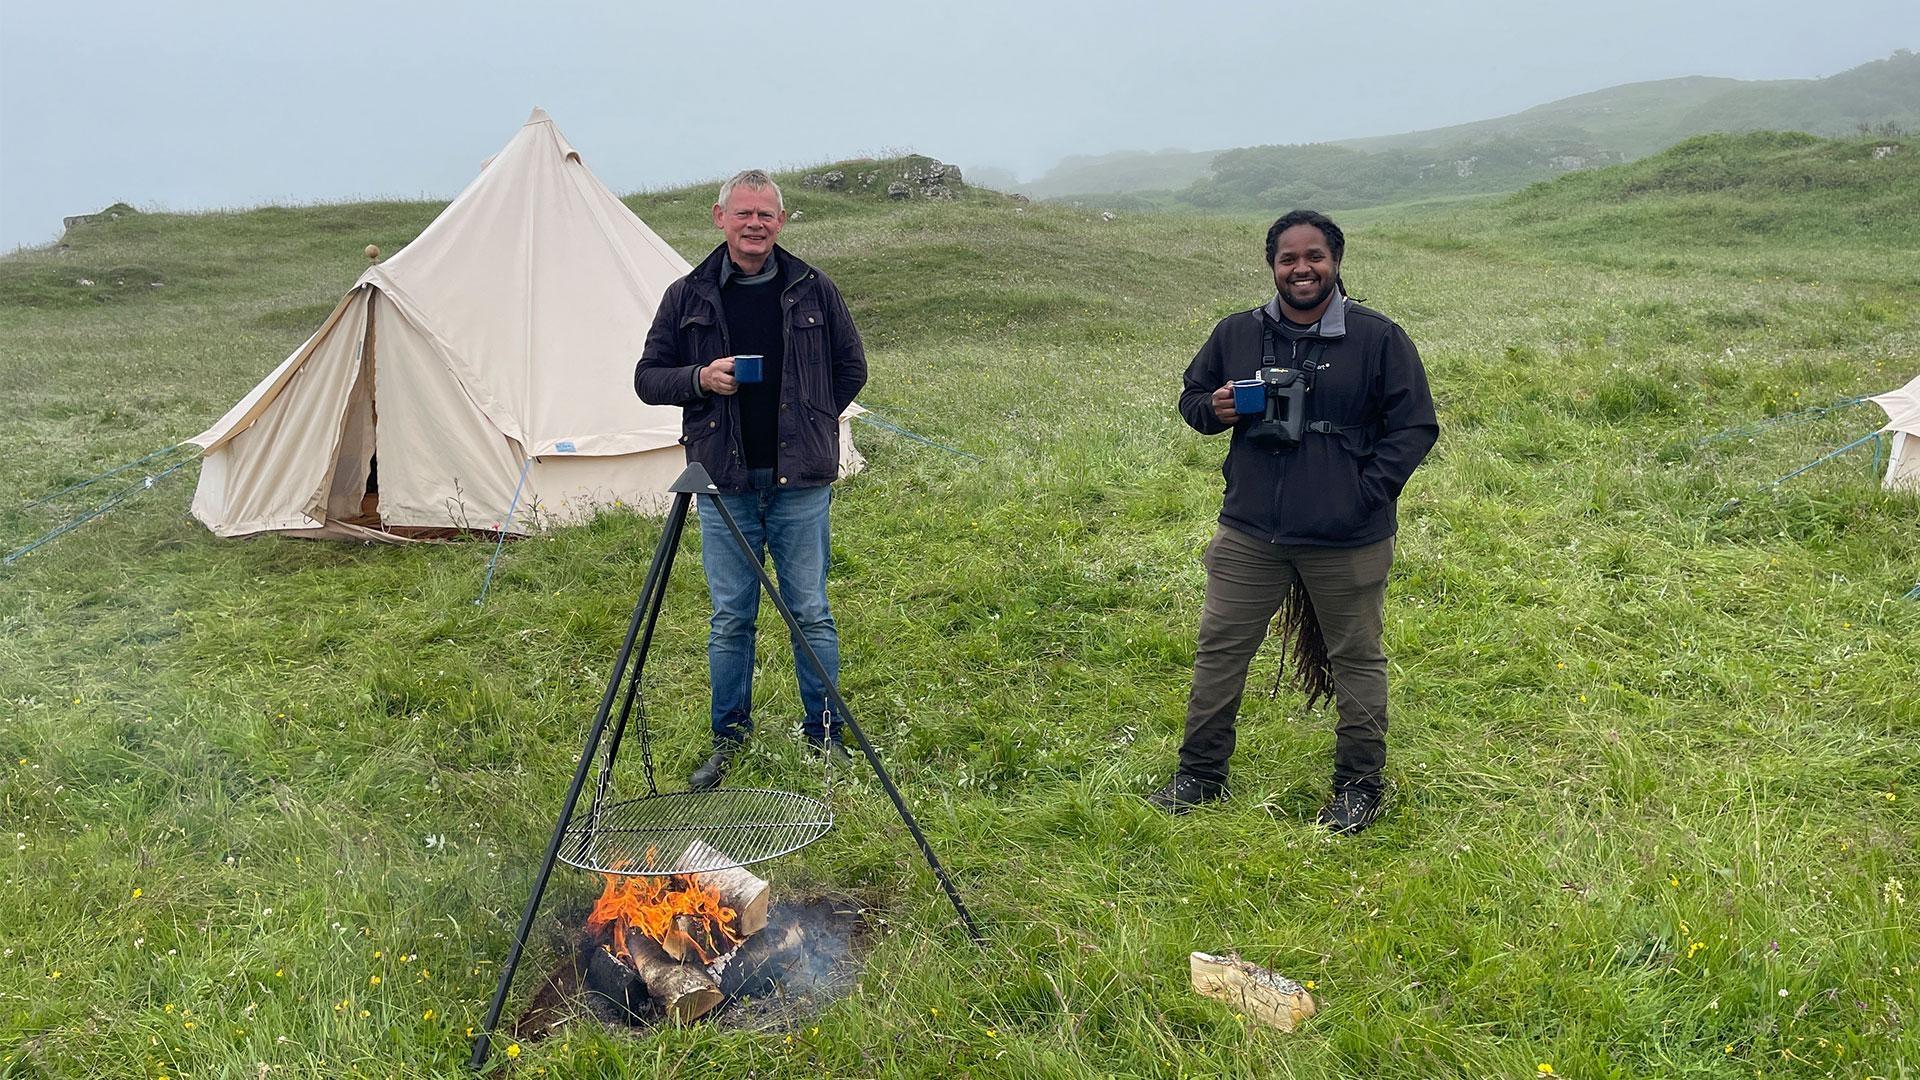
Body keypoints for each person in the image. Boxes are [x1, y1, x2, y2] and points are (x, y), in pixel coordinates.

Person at [1149, 209, 1438, 833]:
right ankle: (1200, 775)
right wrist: (1215, 408)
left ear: (1335, 262)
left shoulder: (1378, 336)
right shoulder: (1237, 333)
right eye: (1288, 258)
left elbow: (1414, 426)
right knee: (1220, 650)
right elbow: (1193, 398)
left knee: (1355, 656)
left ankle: (1359, 785)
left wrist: (1363, 496)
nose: (1301, 269)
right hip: (1250, 530)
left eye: (1314, 257)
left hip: (1347, 537)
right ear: (1272, 265)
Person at [635, 169, 867, 790]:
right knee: (731, 617)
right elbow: (648, 377)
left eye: (765, 214)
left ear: (781, 222)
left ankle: (824, 738)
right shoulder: (688, 295)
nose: (754, 224)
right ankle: (730, 741)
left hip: (800, 483)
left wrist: (812, 417)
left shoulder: (815, 290)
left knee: (810, 612)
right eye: (743, 214)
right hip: (726, 482)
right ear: (720, 218)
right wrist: (699, 380)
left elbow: (852, 369)